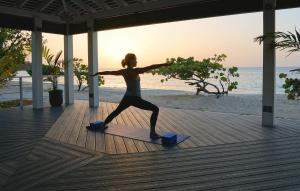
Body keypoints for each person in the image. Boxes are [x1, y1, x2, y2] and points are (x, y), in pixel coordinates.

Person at [90, 53, 171, 139]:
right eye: (135, 59)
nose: (136, 61)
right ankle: (152, 133)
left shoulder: (123, 71)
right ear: (131, 61)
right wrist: (165, 64)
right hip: (135, 98)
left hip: (127, 97)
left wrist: (98, 73)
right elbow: (151, 66)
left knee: (116, 112)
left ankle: (103, 124)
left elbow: (109, 72)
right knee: (155, 109)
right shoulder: (135, 71)